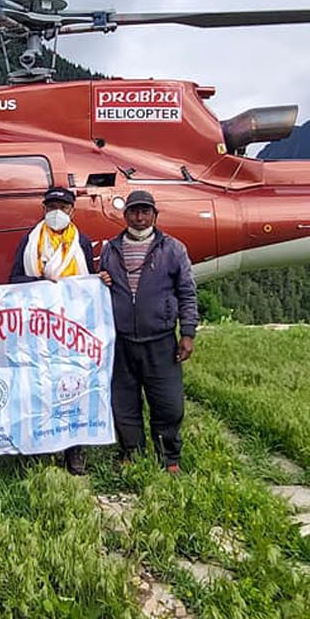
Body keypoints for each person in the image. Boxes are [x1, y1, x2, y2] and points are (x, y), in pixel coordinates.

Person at [98, 190, 198, 473]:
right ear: (125, 214)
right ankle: (131, 452)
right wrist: (101, 279)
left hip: (161, 339)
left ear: (155, 215)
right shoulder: (111, 249)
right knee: (124, 402)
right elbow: (103, 286)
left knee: (168, 403)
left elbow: (187, 293)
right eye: (134, 211)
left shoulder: (173, 249)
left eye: (145, 212)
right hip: (121, 341)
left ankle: (169, 458)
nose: (139, 217)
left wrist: (187, 333)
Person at [8, 186, 100, 475]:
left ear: (73, 211)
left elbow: (89, 284)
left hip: (72, 328)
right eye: (51, 207)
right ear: (43, 209)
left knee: (73, 385)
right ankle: (40, 447)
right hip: (36, 327)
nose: (57, 212)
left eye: (63, 207)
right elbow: (14, 278)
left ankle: (74, 451)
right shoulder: (30, 241)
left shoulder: (81, 243)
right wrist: (40, 282)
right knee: (38, 385)